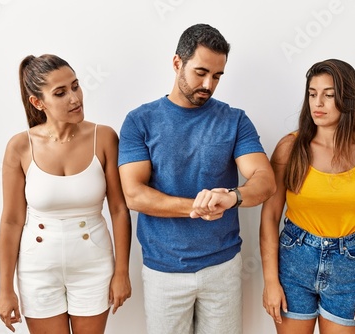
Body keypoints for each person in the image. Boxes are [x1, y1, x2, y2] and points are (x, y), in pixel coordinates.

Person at [117, 23, 275, 334]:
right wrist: (198, 207)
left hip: (222, 267)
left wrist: (232, 196)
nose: (208, 83)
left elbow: (264, 179)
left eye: (217, 76)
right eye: (201, 72)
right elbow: (134, 195)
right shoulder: (140, 120)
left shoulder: (234, 119)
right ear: (177, 63)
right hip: (164, 269)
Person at [0, 54, 132, 334]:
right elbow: (11, 221)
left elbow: (119, 209)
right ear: (38, 102)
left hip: (93, 265)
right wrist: (5, 289)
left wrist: (122, 272)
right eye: (60, 93)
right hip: (38, 267)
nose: (74, 98)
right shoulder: (20, 147)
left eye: (75, 86)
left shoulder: (104, 137)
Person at [260, 59, 355, 333]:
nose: (317, 103)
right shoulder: (290, 147)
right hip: (295, 259)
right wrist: (270, 282)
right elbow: (270, 216)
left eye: (329, 94)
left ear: (348, 99)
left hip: (350, 266)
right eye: (312, 93)